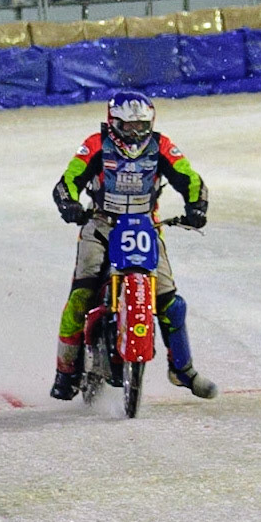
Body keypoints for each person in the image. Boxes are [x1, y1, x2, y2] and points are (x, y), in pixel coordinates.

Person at [50, 90, 218, 403]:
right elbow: (67, 181)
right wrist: (69, 205)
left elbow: (191, 179)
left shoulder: (162, 146)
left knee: (171, 303)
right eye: (128, 126)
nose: (136, 133)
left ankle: (182, 370)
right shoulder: (95, 145)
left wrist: (197, 206)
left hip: (145, 227)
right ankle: (66, 371)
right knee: (80, 298)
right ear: (114, 123)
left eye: (142, 126)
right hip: (100, 226)